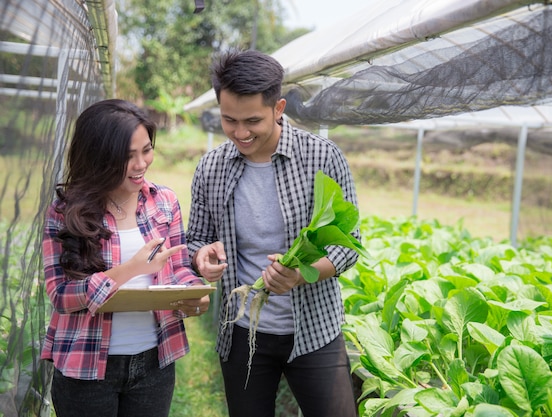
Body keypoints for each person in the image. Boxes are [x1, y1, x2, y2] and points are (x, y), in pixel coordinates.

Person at [186, 49, 361, 417]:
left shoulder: (322, 158)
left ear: (278, 108)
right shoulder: (211, 168)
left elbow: (349, 246)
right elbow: (196, 238)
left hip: (315, 329)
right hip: (241, 331)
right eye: (229, 120)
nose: (240, 132)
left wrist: (300, 275)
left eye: (252, 120)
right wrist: (202, 258)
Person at [41, 99, 210, 417]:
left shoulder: (164, 202)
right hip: (86, 368)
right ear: (98, 157)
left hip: (153, 364)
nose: (141, 164)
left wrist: (195, 293)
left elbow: (176, 269)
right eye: (127, 156)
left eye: (146, 150)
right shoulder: (66, 213)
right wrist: (132, 269)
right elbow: (61, 296)